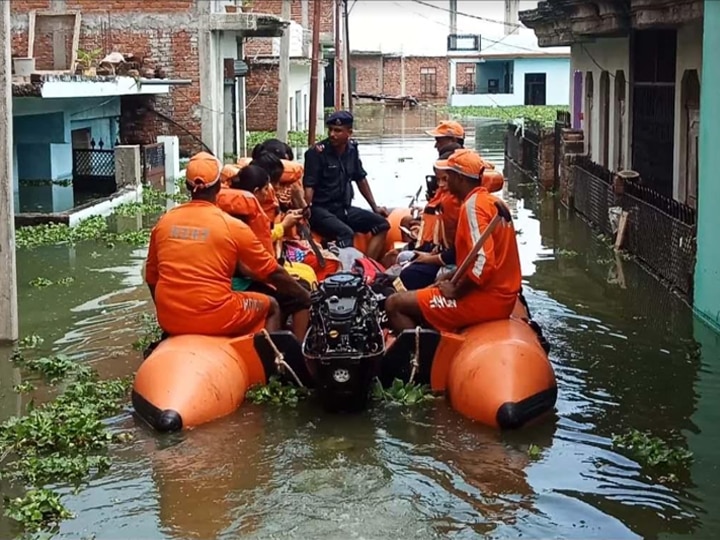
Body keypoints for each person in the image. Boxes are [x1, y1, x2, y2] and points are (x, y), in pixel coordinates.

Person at [144, 151, 311, 337]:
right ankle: (273, 363)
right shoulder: (232, 226)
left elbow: (152, 278)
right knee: (272, 305)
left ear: (187, 186)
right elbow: (271, 271)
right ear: (218, 187)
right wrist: (305, 296)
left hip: (169, 319)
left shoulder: (164, 222)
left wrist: (165, 311)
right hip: (217, 315)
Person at [385, 148, 521, 334]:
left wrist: (456, 292)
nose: (444, 183)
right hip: (500, 296)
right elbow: (478, 259)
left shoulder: (473, 207)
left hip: (487, 300)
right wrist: (449, 276)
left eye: (448, 177)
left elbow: (483, 264)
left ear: (460, 179)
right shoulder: (492, 202)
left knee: (394, 303)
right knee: (427, 287)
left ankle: (422, 361)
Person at [303, 110, 390, 261]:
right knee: (346, 233)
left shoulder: (352, 150)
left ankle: (367, 266)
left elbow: (360, 178)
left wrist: (375, 206)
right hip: (320, 210)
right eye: (330, 129)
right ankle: (345, 276)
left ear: (349, 132)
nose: (332, 134)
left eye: (337, 130)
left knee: (382, 224)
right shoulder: (316, 153)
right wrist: (305, 212)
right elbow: (309, 185)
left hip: (342, 208)